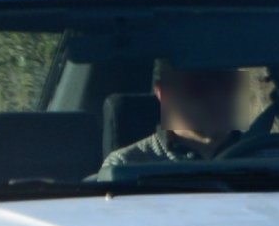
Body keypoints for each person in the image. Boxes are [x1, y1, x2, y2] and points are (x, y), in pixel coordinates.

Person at [101, 59, 246, 168]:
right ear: (163, 92)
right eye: (198, 85)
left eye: (225, 83)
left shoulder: (264, 157)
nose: (216, 95)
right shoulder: (126, 165)